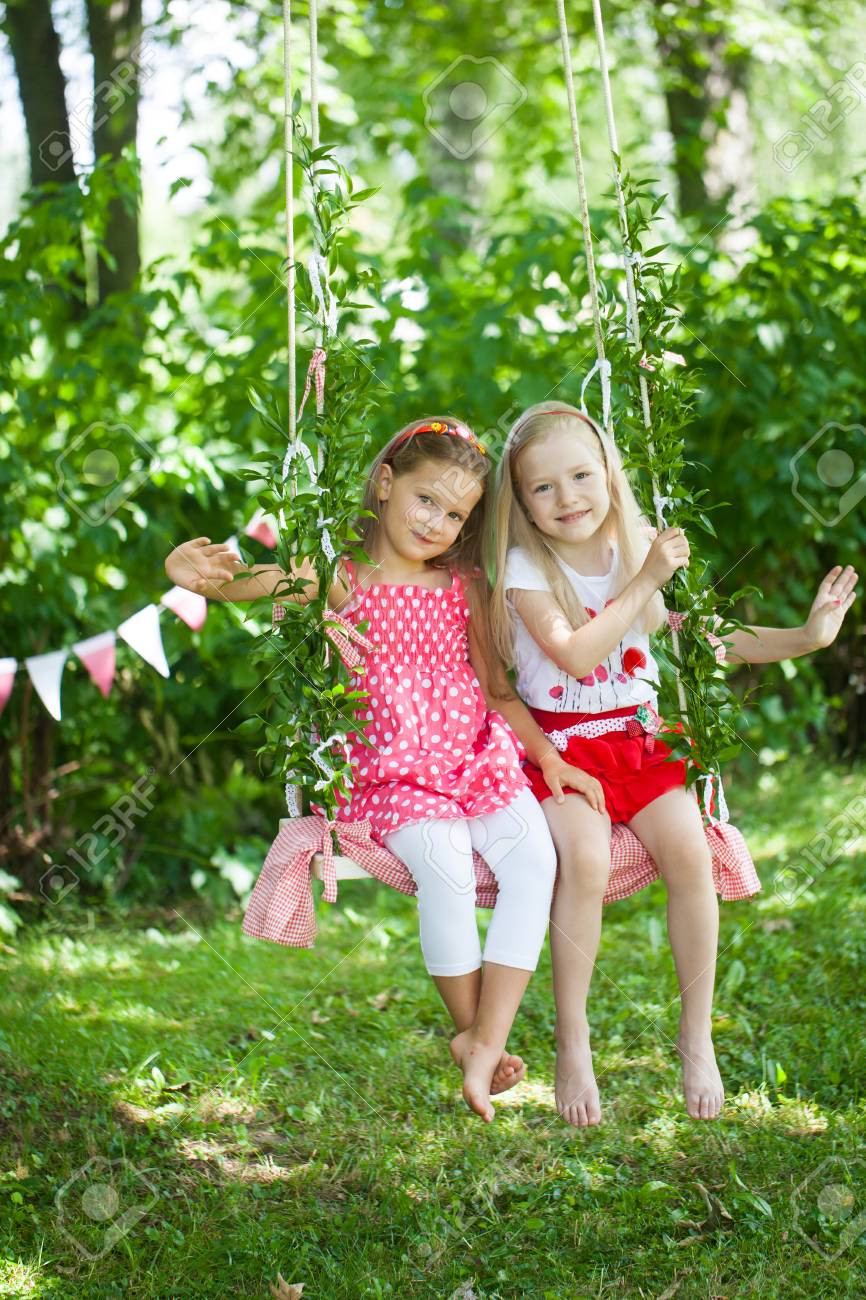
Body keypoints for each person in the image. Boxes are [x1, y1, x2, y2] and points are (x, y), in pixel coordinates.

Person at [165, 416, 602, 1123]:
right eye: (426, 500)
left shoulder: (464, 584)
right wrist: (205, 582)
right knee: (446, 868)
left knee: (535, 863)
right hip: (392, 773)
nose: (436, 523)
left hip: (476, 757)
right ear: (387, 483)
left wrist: (548, 757)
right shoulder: (342, 577)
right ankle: (473, 1032)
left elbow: (497, 691)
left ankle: (486, 1040)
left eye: (455, 515)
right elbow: (264, 581)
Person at [486, 400, 858, 1126]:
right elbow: (576, 653)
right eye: (544, 487)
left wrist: (805, 638)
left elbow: (708, 637)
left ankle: (696, 1034)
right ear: (523, 504)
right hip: (564, 751)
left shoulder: (637, 548)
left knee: (691, 852)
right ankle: (573, 1038)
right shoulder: (526, 569)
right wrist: (646, 579)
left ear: (609, 475)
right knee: (585, 861)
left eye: (582, 476)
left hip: (641, 739)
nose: (568, 498)